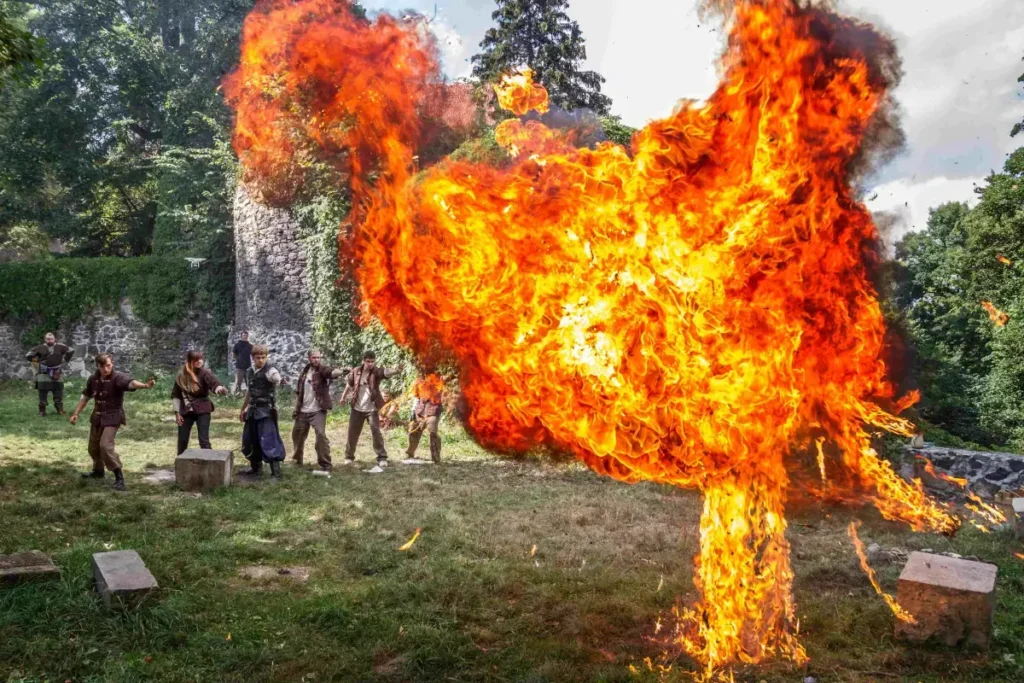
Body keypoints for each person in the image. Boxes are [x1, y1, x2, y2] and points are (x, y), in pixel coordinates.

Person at [68, 353, 155, 491]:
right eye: (102, 366)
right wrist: (76, 413)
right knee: (93, 448)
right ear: (97, 366)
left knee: (105, 446)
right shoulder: (93, 379)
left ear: (112, 363)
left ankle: (119, 477)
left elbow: (130, 383)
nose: (106, 369)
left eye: (108, 365)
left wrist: (145, 385)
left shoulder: (117, 377)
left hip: (113, 417)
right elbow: (85, 397)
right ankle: (98, 471)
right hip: (97, 417)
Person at [340, 350, 402, 468]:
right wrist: (343, 397)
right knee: (352, 433)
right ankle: (348, 456)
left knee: (376, 432)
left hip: (372, 409)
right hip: (357, 408)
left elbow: (385, 372)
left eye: (372, 361)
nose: (370, 364)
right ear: (363, 361)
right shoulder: (356, 371)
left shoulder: (376, 371)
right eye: (368, 361)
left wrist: (395, 371)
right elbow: (349, 385)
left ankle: (382, 457)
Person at [292, 349, 348, 471]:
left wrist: (341, 371)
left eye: (318, 357)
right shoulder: (304, 372)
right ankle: (297, 461)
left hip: (317, 410)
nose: (316, 360)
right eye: (314, 357)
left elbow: (331, 372)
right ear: (309, 358)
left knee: (321, 436)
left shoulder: (322, 370)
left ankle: (326, 465)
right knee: (297, 435)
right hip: (302, 410)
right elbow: (299, 391)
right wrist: (297, 406)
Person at [239, 344, 287, 478]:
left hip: (266, 411)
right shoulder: (249, 371)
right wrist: (243, 409)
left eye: (263, 357)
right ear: (252, 358)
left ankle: (276, 474)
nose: (261, 360)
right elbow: (250, 392)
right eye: (258, 357)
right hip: (252, 411)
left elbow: (276, 378)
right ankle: (256, 469)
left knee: (269, 441)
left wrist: (281, 381)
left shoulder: (270, 370)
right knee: (250, 440)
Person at [171, 350, 227, 454]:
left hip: (203, 408)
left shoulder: (205, 373)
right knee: (182, 440)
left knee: (204, 441)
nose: (200, 361)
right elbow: (176, 395)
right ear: (190, 361)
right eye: (196, 360)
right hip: (186, 409)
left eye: (201, 359)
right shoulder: (181, 375)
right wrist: (177, 413)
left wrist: (220, 389)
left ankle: (210, 464)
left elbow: (214, 383)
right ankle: (181, 465)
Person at [25, 332, 74, 416]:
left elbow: (71, 350)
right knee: (42, 392)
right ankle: (42, 411)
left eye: (51, 339)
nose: (50, 340)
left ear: (54, 339)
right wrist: (37, 362)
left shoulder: (60, 346)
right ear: (45, 339)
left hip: (56, 371)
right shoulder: (39, 348)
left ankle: (60, 410)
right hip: (43, 372)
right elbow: (28, 355)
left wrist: (65, 360)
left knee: (58, 391)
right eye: (48, 339)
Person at [406, 374, 444, 464]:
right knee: (412, 432)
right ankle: (410, 453)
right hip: (419, 413)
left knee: (433, 434)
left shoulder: (439, 381)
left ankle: (436, 457)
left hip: (432, 414)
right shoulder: (419, 382)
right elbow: (416, 398)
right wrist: (413, 410)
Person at [232, 331, 253, 397]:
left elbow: (253, 354)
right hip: (240, 366)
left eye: (246, 335)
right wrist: (239, 360)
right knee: (239, 381)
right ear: (241, 336)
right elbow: (234, 354)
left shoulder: (250, 346)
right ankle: (237, 394)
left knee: (249, 380)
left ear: (247, 336)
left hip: (248, 366)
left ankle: (249, 395)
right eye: (243, 335)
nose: (244, 337)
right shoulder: (237, 345)